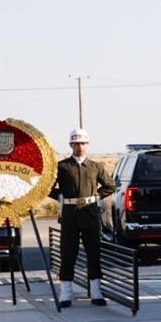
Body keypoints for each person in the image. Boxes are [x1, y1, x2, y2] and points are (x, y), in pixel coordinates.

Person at [49, 128, 116, 308]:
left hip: (90, 216)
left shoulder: (96, 166)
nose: (80, 146)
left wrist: (97, 197)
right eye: (77, 143)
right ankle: (66, 293)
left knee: (94, 253)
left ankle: (96, 292)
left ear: (88, 145)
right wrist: (59, 197)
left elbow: (110, 186)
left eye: (83, 143)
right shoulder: (62, 167)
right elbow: (47, 187)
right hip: (70, 216)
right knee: (68, 254)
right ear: (71, 144)